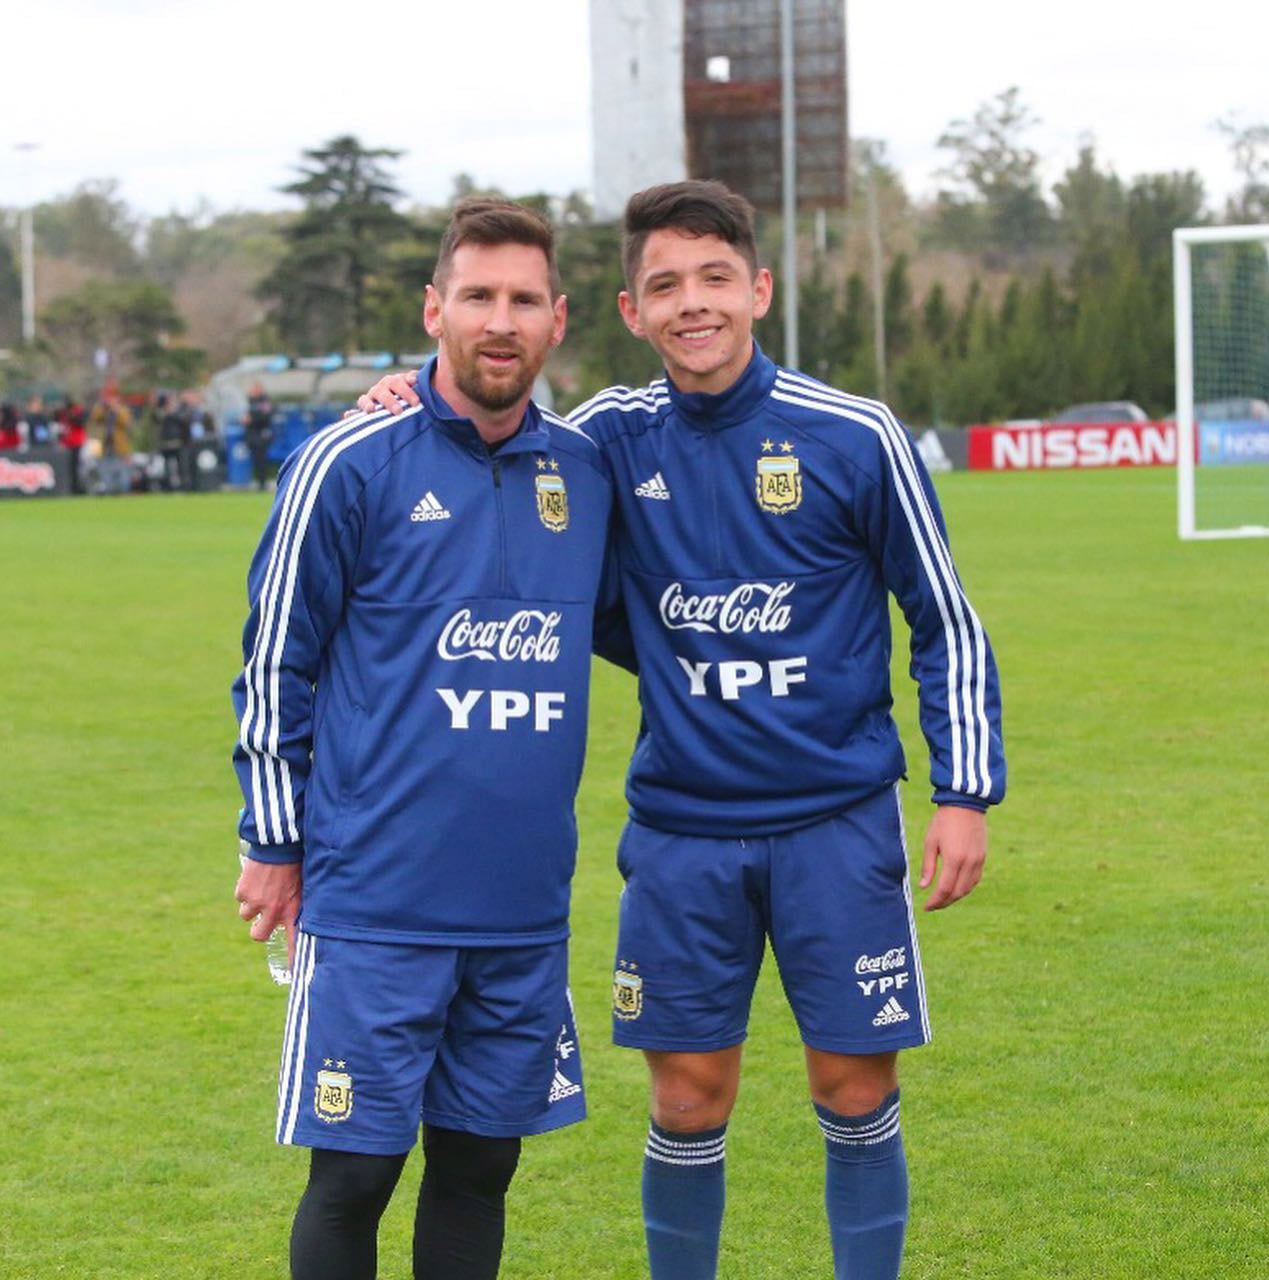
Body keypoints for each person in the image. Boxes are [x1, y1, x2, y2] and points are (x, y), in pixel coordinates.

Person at [359, 179, 1005, 1280]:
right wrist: (409, 405)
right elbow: (494, 457)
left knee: (854, 1086)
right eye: (665, 284)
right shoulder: (606, 439)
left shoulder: (854, 434)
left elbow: (939, 613)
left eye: (714, 278)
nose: (691, 303)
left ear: (756, 289)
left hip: (836, 824)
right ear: (627, 309)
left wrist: (961, 791)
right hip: (681, 833)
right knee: (685, 1094)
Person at [231, 198, 614, 1280]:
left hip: (520, 906)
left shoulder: (584, 471)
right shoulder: (347, 462)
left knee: (480, 1165)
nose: (501, 320)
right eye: (479, 295)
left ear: (557, 319)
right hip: (375, 900)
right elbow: (275, 662)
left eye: (524, 300)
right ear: (433, 308)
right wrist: (271, 837)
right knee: (352, 1176)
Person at [87, 384, 133, 494]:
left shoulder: (123, 410)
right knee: (105, 472)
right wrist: (104, 407)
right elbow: (94, 418)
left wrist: (116, 409)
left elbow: (126, 423)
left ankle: (123, 492)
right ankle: (109, 491)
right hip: (104, 447)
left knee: (122, 474)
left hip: (120, 448)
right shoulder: (101, 409)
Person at [243, 381, 276, 489]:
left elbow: (266, 416)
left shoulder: (265, 402)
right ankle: (257, 480)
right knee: (255, 459)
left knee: (261, 458)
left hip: (262, 435)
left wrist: (252, 419)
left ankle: (262, 482)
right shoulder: (249, 401)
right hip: (251, 434)